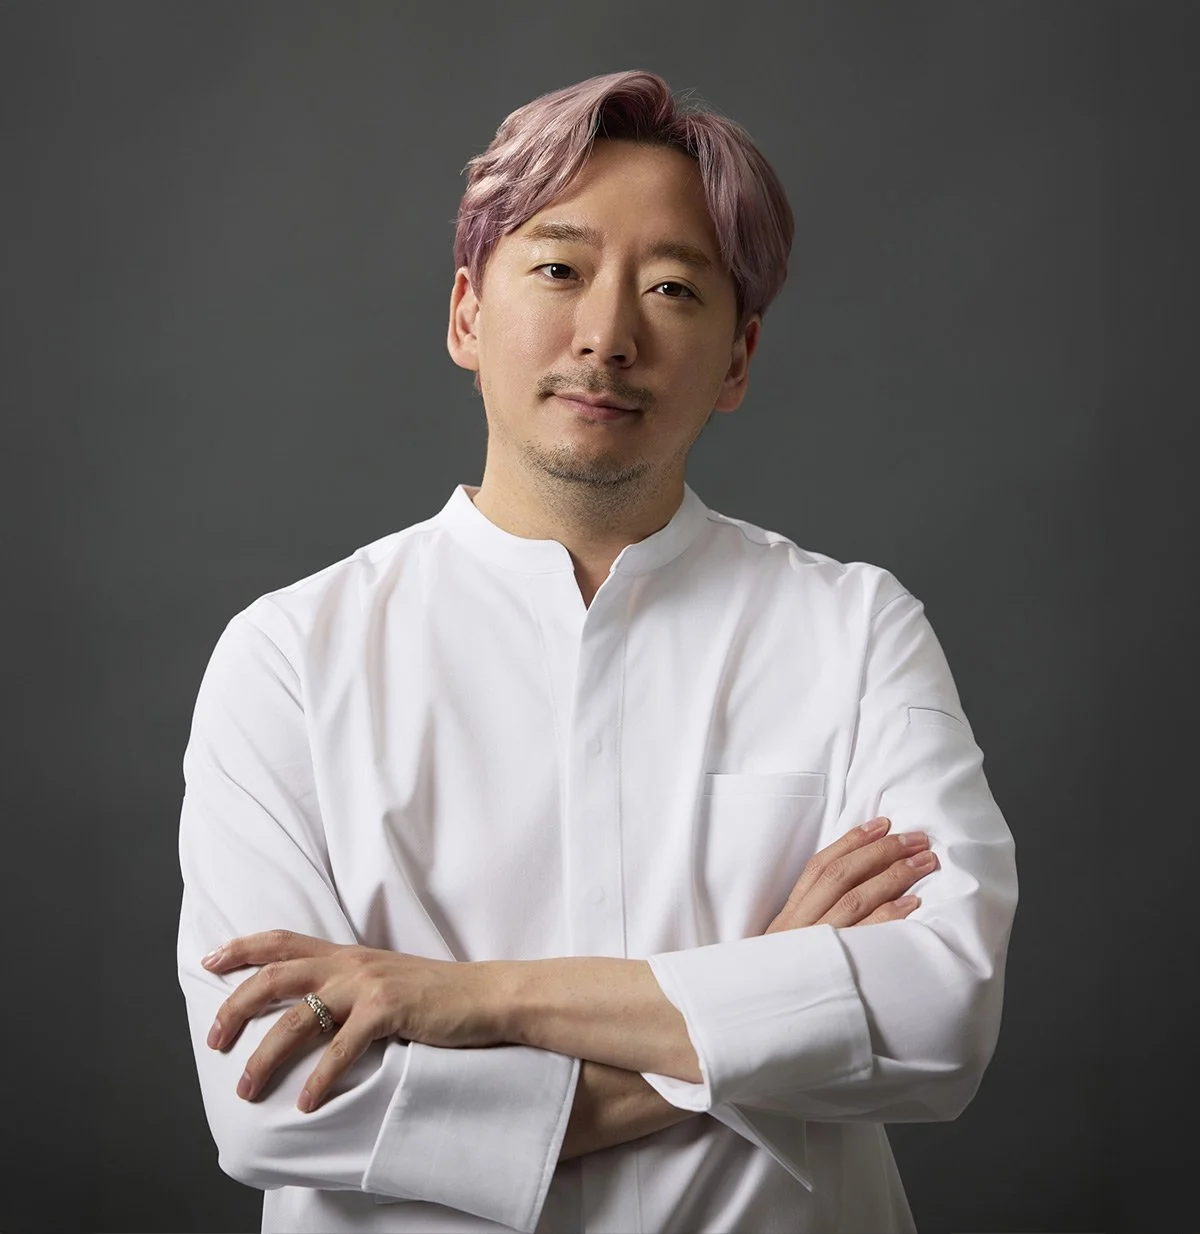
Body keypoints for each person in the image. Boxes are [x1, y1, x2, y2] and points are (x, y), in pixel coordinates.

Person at [177, 69, 1017, 1234]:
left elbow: (941, 1018)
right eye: (559, 268)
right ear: (468, 310)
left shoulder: (856, 630)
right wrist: (766, 999)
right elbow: (275, 1107)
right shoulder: (288, 655)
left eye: (673, 287)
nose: (607, 335)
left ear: (738, 359)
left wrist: (470, 1002)